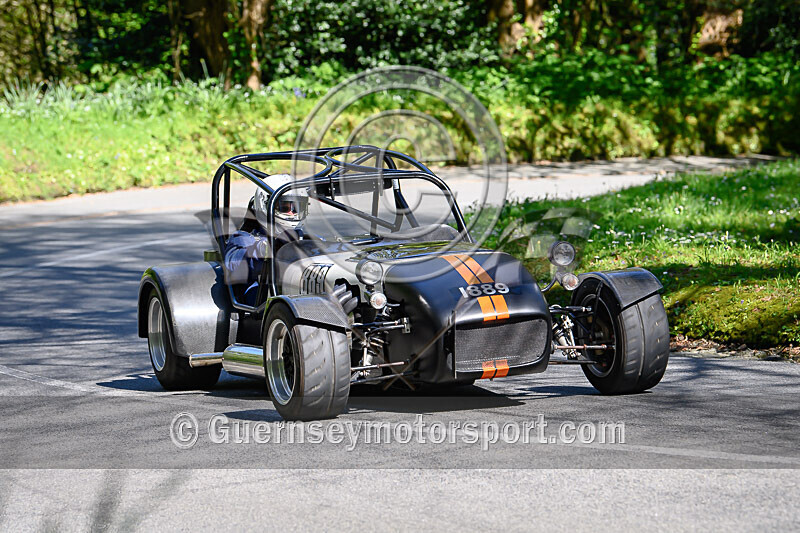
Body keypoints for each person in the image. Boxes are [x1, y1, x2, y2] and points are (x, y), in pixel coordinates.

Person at [223, 174, 309, 305]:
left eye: (296, 208)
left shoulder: (302, 237)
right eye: (285, 207)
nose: (292, 213)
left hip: (302, 298)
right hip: (263, 306)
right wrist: (264, 249)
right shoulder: (245, 238)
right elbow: (233, 264)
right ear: (264, 205)